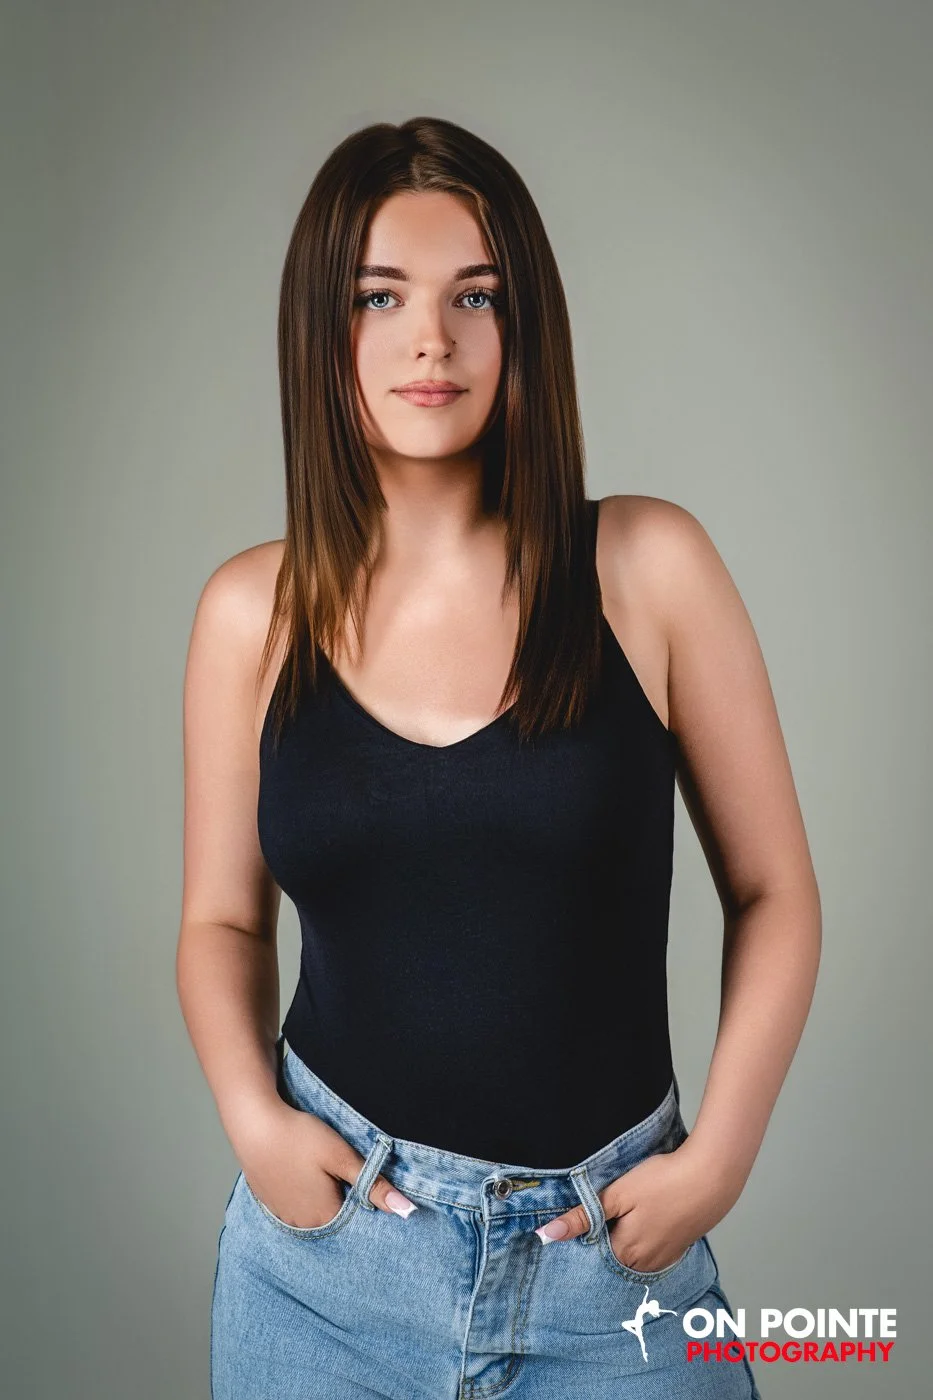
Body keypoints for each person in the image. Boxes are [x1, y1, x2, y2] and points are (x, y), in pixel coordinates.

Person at [177, 115, 821, 1398]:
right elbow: (218, 920)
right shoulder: (253, 614)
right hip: (325, 1277)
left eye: (478, 294)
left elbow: (776, 893)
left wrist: (722, 1157)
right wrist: (255, 1119)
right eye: (381, 296)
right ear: (324, 328)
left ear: (526, 322)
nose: (433, 337)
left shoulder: (649, 569)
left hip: (613, 1280)